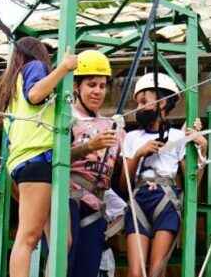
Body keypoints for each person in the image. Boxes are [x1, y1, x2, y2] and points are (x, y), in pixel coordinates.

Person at [0, 36, 77, 277]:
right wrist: (63, 68)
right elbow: (35, 94)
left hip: (32, 163)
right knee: (29, 236)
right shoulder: (35, 68)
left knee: (63, 240)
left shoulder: (11, 92)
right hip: (37, 160)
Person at [122, 73, 207, 277]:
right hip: (139, 201)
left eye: (144, 101)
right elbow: (123, 184)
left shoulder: (178, 137)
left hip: (166, 202)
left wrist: (202, 150)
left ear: (163, 103)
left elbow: (192, 183)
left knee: (157, 271)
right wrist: (139, 154)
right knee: (136, 273)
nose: (139, 107)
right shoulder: (132, 138)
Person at [68, 50, 127, 277]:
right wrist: (88, 147)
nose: (97, 91)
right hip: (68, 198)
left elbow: (124, 176)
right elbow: (52, 159)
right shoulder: (66, 118)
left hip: (96, 206)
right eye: (91, 84)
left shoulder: (114, 126)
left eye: (102, 86)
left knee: (87, 271)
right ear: (77, 86)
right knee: (64, 265)